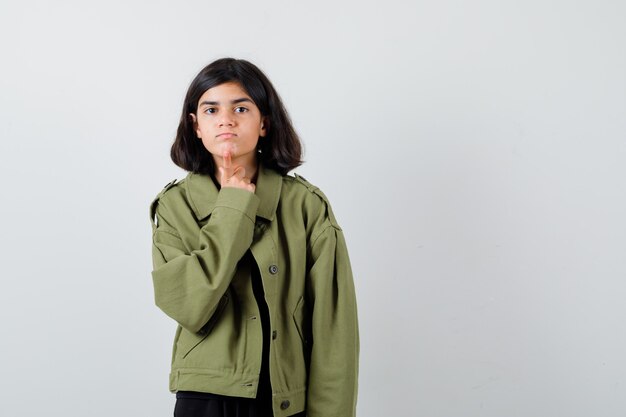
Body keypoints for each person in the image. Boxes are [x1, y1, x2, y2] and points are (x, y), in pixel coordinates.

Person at [149, 58, 359, 417]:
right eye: (211, 109)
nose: (226, 119)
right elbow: (188, 305)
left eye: (241, 107)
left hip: (284, 399)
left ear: (264, 123)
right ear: (196, 126)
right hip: (205, 397)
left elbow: (334, 329)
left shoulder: (306, 206)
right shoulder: (174, 206)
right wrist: (234, 206)